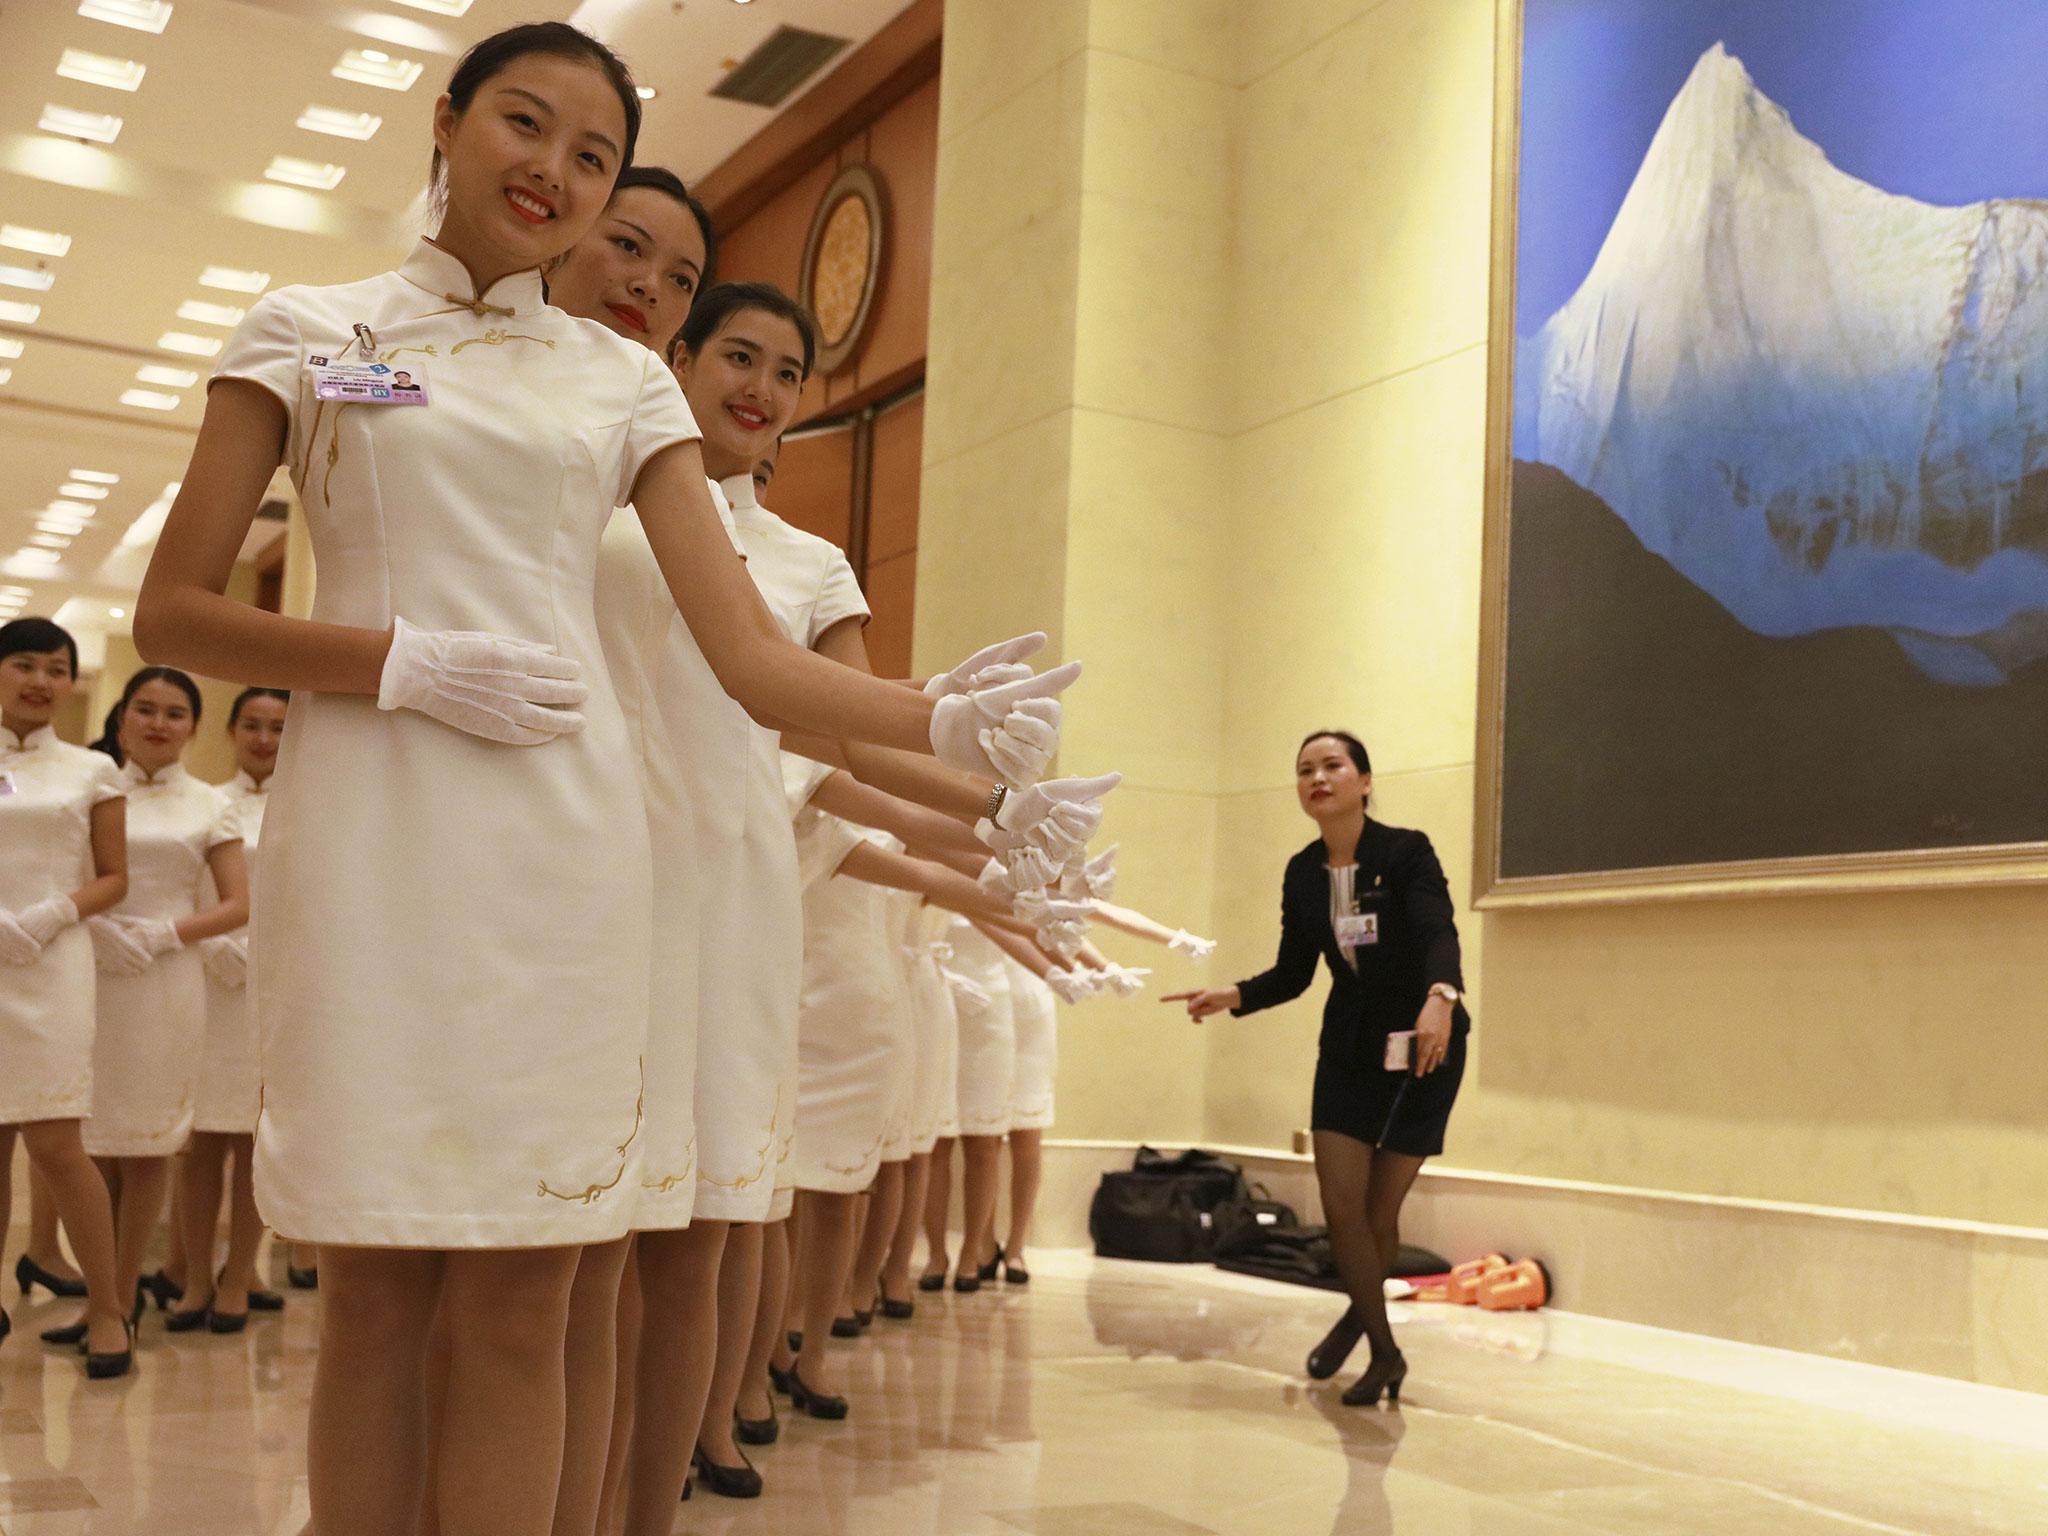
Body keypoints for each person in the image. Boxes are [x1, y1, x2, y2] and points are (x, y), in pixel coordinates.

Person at [1165, 730, 1470, 1408]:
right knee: (1341, 1208)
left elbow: (1438, 930)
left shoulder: (1406, 851)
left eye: (1333, 766)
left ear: (1364, 781)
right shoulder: (1304, 872)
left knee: (1378, 1211)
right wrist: (1234, 995)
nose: (1317, 778)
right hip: (1349, 1050)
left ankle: (1355, 1326)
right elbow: (1295, 973)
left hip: (1425, 1041)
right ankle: (1385, 1352)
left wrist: (1441, 999)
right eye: (1305, 770)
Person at [77, 667, 250, 1345]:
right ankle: (99, 1294)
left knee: (148, 1141)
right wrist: (91, 926)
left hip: (166, 977)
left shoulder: (211, 804)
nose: (158, 723)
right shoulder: (89, 787)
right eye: (144, 709)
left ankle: (119, 1299)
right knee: (91, 1145)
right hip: (88, 970)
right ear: (121, 719)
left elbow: (238, 902)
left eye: (174, 713)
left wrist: (163, 933)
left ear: (194, 728)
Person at [0, 617, 133, 1376]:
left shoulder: (91, 768)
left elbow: (115, 876)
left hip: (53, 962)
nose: (41, 682)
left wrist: (52, 914)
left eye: (56, 669)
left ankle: (108, 1307)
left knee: (56, 1142)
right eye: (24, 664)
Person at [168, 686, 289, 1330]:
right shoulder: (205, 803)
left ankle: (240, 1276)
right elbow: (181, 882)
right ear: (231, 731)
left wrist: (265, 955)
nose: (264, 739)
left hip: (274, 987)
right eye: (252, 725)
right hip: (206, 984)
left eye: (277, 727)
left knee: (250, 1139)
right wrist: (213, 944)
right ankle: (191, 1277)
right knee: (198, 1140)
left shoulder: (311, 805)